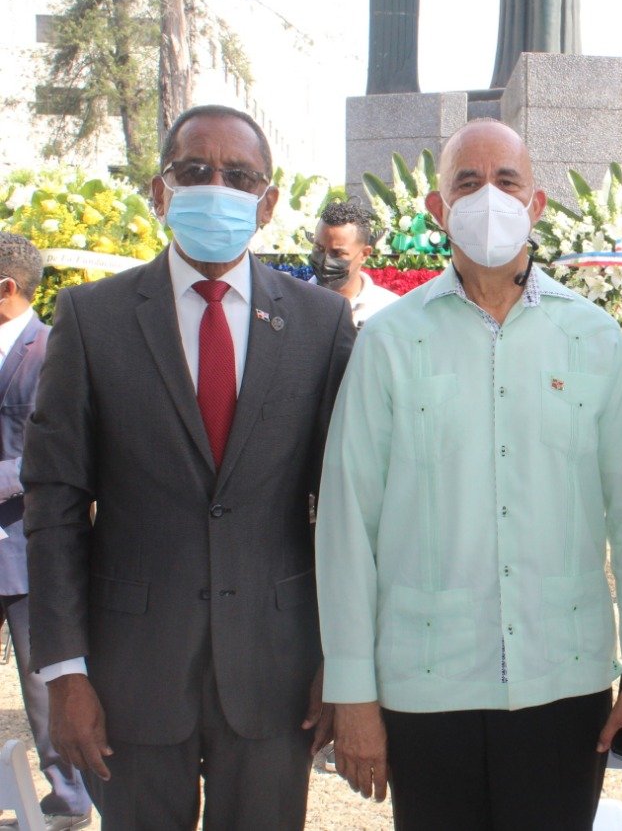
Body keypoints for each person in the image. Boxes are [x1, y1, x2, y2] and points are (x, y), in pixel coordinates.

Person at [316, 118, 622, 829]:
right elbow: (349, 521)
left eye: (506, 181)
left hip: (562, 682)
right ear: (438, 211)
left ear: (536, 202)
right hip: (426, 684)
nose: (488, 198)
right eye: (467, 183)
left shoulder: (593, 339)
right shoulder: (389, 341)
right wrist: (353, 692)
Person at [22, 104, 356, 830]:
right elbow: (53, 505)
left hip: (276, 673)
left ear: (268, 203)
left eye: (238, 176)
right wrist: (64, 670)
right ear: (159, 189)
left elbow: (344, 507)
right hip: (129, 677)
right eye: (194, 171)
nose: (216, 186)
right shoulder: (91, 318)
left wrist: (343, 657)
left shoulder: (320, 325)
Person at [0, 233, 92, 831]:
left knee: (43, 685)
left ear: (8, 288)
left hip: (24, 549)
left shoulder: (48, 350)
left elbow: (47, 452)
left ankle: (70, 796)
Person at [309, 199, 398, 329]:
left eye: (337, 253)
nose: (325, 261)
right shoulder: (290, 302)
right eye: (319, 249)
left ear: (364, 254)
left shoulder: (388, 309)